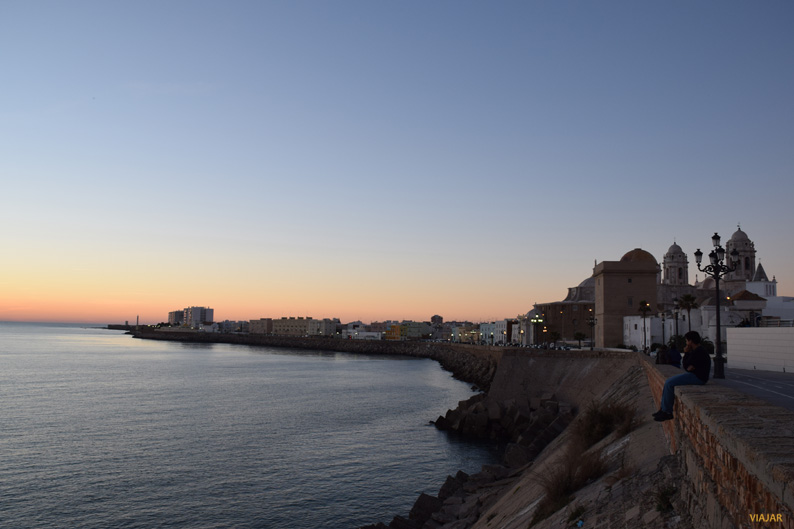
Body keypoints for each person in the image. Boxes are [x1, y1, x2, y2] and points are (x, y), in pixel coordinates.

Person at [653, 331, 711, 422]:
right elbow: (688, 366)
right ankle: (663, 409)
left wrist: (686, 353)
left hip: (698, 377)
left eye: (687, 341)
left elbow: (686, 367)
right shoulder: (698, 350)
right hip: (695, 375)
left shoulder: (698, 352)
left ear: (690, 341)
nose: (686, 343)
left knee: (669, 383)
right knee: (668, 382)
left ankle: (667, 412)